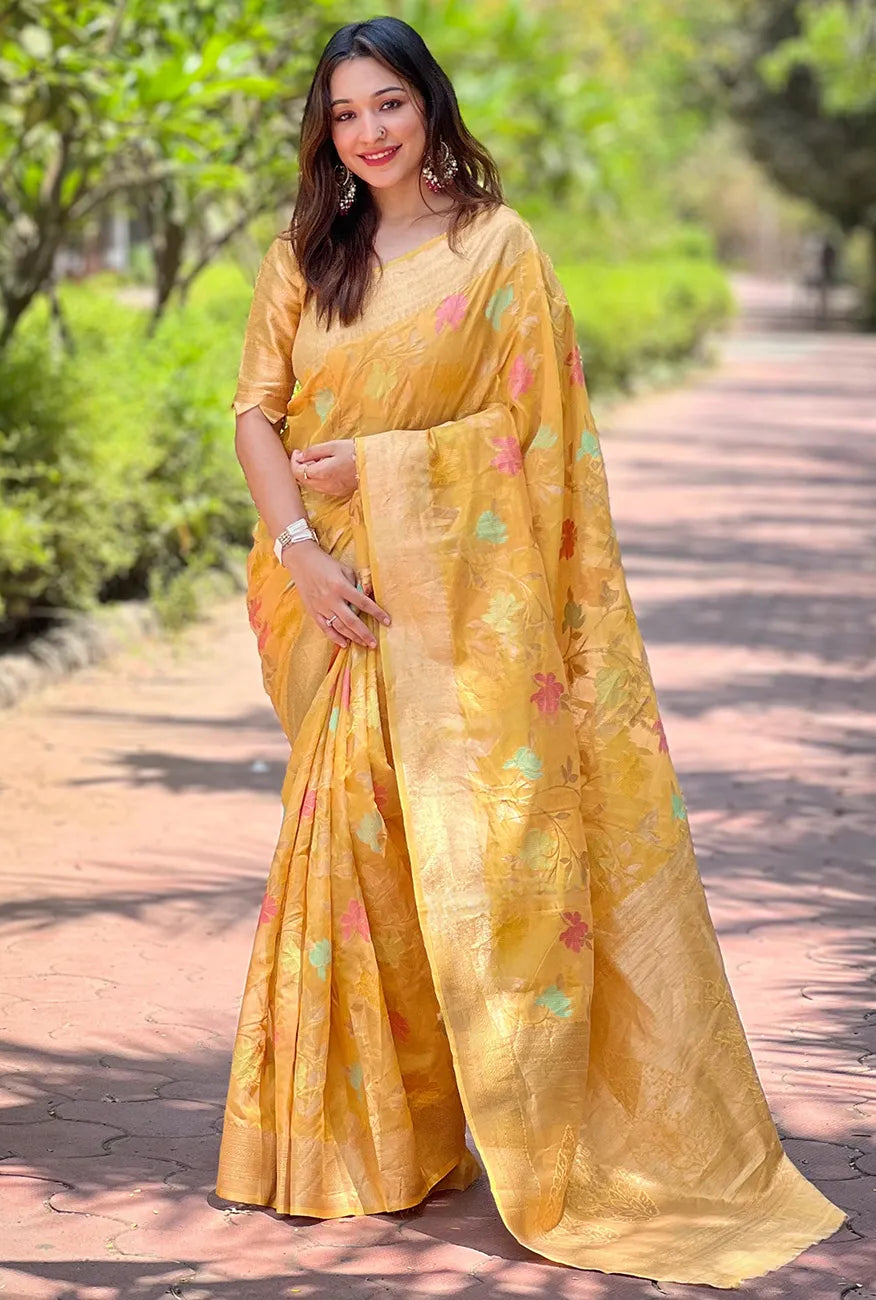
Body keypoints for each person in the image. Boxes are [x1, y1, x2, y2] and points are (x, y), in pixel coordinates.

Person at [215, 15, 847, 1289]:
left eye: (390, 104)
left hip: (456, 602)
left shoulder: (497, 247)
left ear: (430, 106)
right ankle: (367, 1145)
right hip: (334, 595)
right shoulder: (302, 256)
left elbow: (533, 430)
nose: (370, 131)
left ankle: (535, 1124)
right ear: (324, 133)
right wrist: (301, 550)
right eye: (346, 113)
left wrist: (388, 467)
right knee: (357, 860)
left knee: (486, 862)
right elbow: (255, 414)